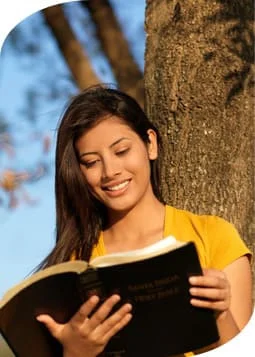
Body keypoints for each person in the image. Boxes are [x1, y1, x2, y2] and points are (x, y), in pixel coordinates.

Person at [36, 85, 252, 357]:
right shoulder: (73, 264)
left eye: (122, 151)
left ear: (150, 143)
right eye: (91, 162)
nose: (110, 172)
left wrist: (220, 315)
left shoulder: (214, 236)